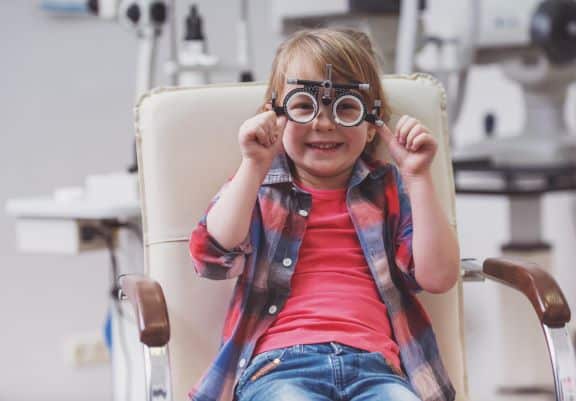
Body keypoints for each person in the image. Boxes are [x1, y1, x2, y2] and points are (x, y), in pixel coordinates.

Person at [188, 28, 460, 401]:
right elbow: (212, 256)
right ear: (275, 116)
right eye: (304, 105)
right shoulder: (260, 183)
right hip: (279, 368)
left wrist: (417, 176)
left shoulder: (388, 187)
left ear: (370, 127)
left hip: (377, 369)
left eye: (346, 106)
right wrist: (253, 164)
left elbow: (439, 276)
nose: (325, 123)